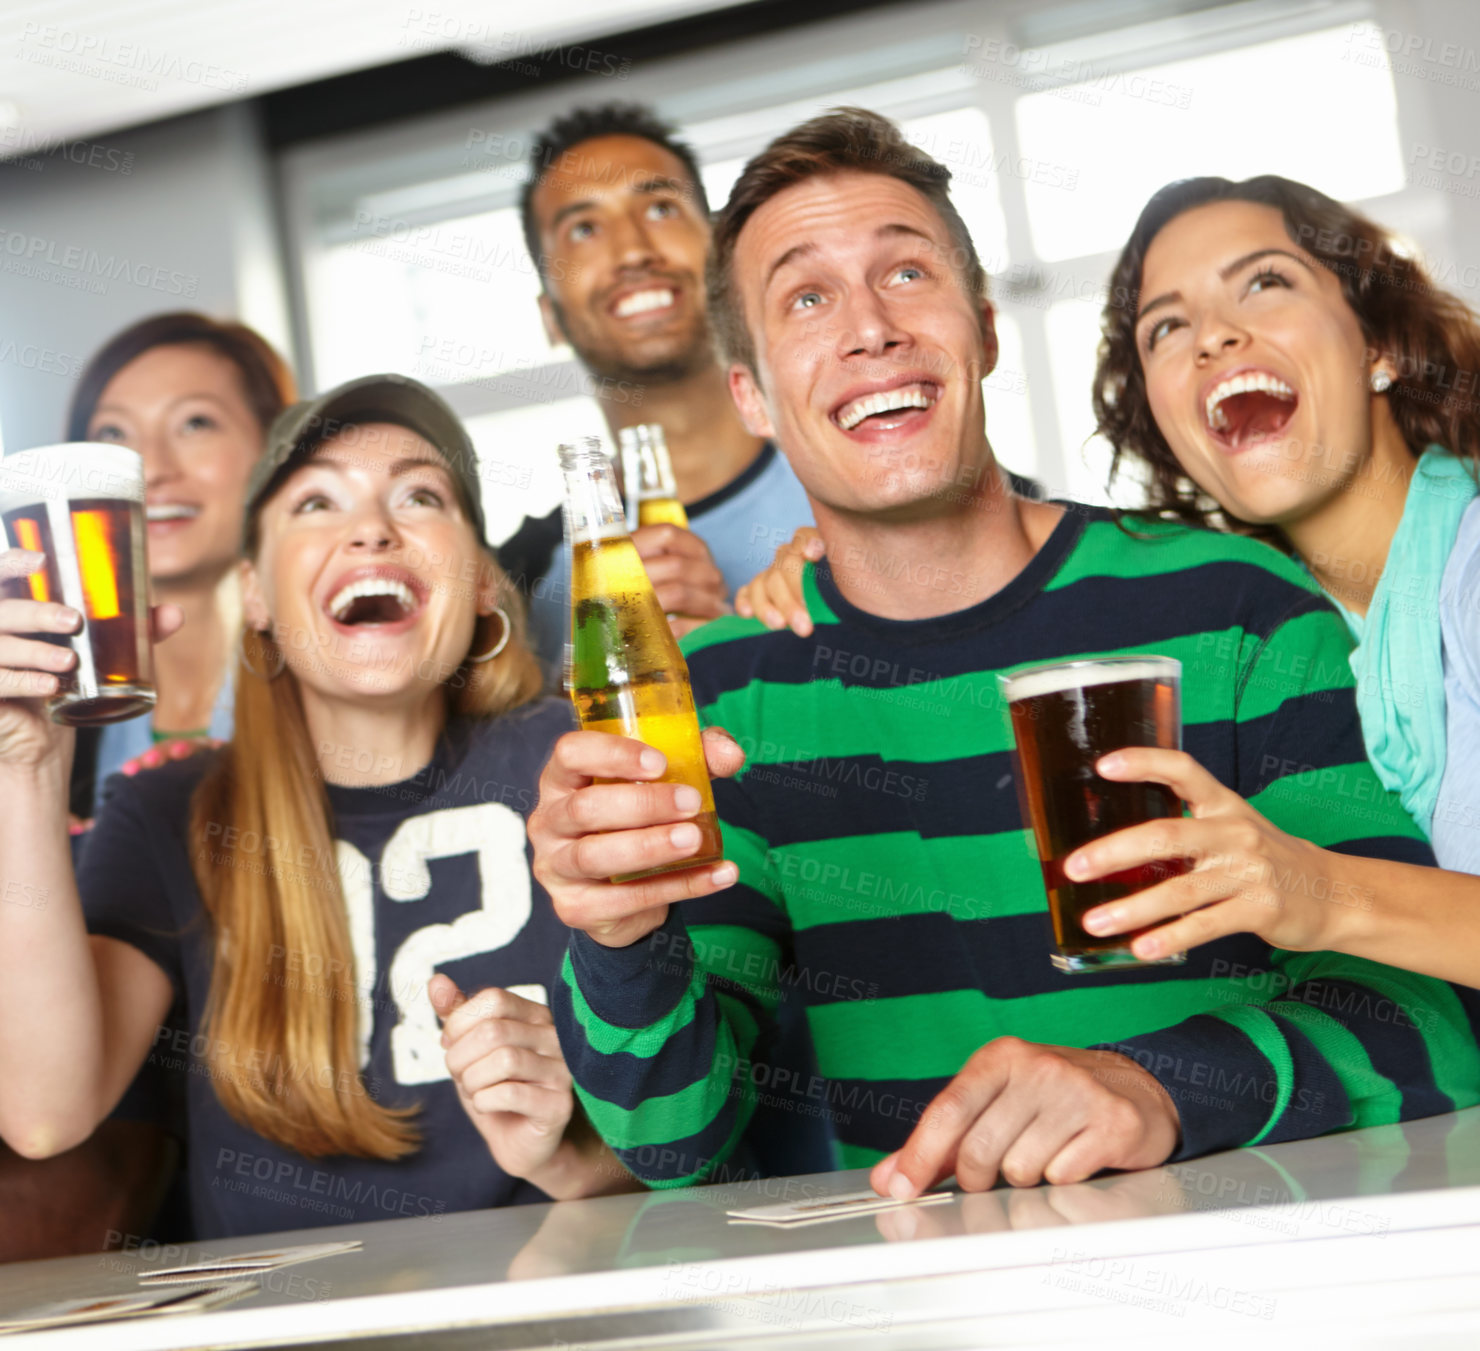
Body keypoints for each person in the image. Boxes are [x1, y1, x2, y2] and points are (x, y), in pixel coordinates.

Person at [527, 109, 1480, 1203]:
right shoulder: (734, 692)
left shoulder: (1232, 604)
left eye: (905, 273)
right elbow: (676, 1143)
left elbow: (1430, 1024)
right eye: (805, 297)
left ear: (980, 329)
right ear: (752, 393)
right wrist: (616, 929)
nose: (868, 328)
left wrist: (1157, 1089)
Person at [0, 374, 636, 1240]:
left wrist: (570, 1154)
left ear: (485, 582)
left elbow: (701, 1142)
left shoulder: (578, 760)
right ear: (255, 597)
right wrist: (25, 764)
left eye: (419, 494)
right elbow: (44, 1113)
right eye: (315, 503)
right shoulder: (166, 812)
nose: (371, 527)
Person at [1026, 175, 1480, 978]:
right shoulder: (1266, 648)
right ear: (1169, 427)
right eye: (1167, 326)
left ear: (1377, 343)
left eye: (1265, 282)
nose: (1213, 338)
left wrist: (1320, 890)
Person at [502, 102, 814, 678]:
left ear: (726, 260)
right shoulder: (515, 588)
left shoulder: (865, 484)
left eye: (662, 207)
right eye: (585, 228)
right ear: (550, 316)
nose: (633, 251)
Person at [61, 312, 297, 822]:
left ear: (275, 449)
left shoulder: (342, 678)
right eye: (113, 433)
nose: (151, 468)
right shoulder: (54, 706)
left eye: (195, 423)